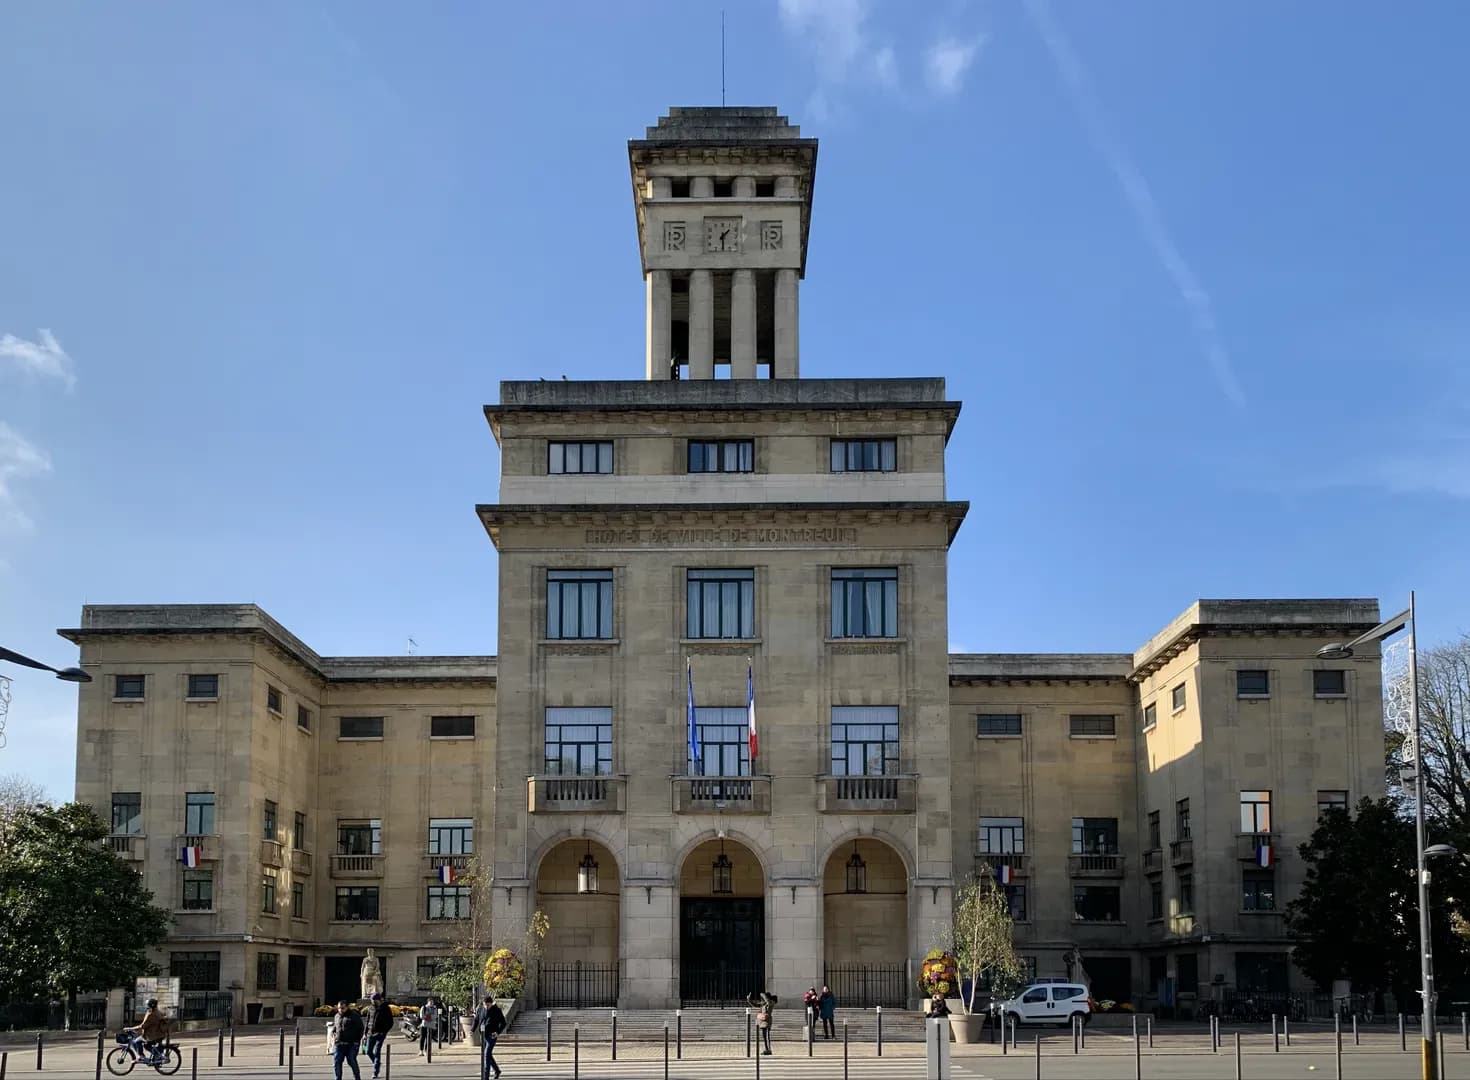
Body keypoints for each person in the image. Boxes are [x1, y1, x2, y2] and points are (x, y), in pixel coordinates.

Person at [473, 995, 505, 1080]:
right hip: (483, 1035)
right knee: (488, 1055)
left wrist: (497, 1032)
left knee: (486, 1054)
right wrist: (472, 1030)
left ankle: (485, 1077)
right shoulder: (480, 1009)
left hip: (492, 1035)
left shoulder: (497, 1010)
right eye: (485, 1005)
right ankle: (497, 1070)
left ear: (491, 1003)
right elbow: (476, 1020)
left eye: (488, 1005)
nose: (487, 1006)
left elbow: (503, 1023)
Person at [331, 1001, 365, 1080]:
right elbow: (336, 1026)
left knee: (351, 1061)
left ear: (347, 1007)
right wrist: (333, 1031)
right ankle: (338, 1078)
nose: (340, 1010)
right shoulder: (337, 1016)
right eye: (339, 1008)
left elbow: (360, 1028)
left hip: (351, 1044)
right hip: (339, 1043)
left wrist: (357, 1041)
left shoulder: (354, 1015)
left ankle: (357, 1077)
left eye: (342, 1008)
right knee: (337, 1061)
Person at [364, 994, 393, 1078]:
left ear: (379, 1000)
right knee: (368, 1051)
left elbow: (390, 1022)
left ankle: (375, 1071)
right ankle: (377, 1062)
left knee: (377, 1051)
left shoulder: (385, 1008)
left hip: (380, 1033)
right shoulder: (371, 1008)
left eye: (374, 1000)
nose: (373, 1001)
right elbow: (368, 1020)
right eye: (372, 1000)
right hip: (370, 1033)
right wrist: (365, 1033)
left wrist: (384, 1032)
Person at [746, 990, 778, 1055]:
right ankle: (767, 1049)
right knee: (764, 1036)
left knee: (766, 1036)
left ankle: (769, 1050)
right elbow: (755, 1005)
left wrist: (762, 994)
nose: (762, 1000)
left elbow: (768, 1002)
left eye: (763, 998)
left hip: (767, 1021)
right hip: (762, 1022)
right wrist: (749, 1000)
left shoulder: (771, 1003)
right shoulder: (764, 1004)